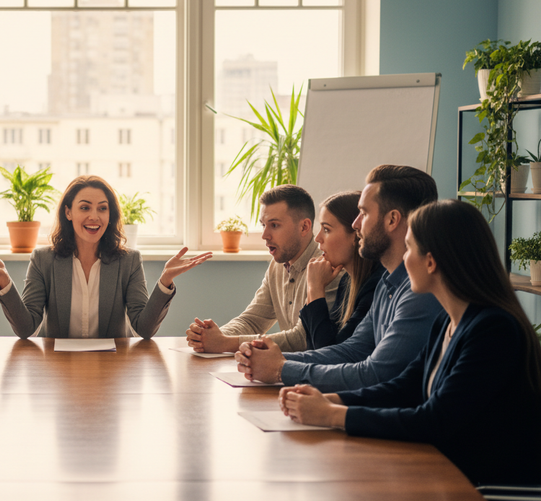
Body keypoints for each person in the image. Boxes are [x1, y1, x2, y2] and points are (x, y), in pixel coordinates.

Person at [279, 199, 541, 486]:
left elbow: (434, 420)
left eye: (410, 249)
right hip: (449, 476)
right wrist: (331, 400)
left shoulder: (493, 330)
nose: (404, 259)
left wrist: (333, 415)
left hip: (490, 497)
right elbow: (404, 387)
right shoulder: (448, 321)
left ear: (431, 262)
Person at [236, 165, 443, 392]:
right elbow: (351, 351)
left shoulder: (421, 292)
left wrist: (281, 369)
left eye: (363, 214)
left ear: (392, 220)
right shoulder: (388, 282)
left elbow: (375, 373)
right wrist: (273, 358)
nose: (356, 225)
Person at [0, 175, 212, 338]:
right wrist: (4, 280)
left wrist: (166, 280)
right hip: (57, 367)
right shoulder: (43, 259)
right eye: (84, 207)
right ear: (68, 212)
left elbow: (144, 329)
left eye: (103, 208)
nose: (94, 216)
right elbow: (26, 329)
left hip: (112, 366)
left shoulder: (129, 261)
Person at [186, 185, 341, 353]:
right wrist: (211, 336)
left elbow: (303, 338)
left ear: (304, 227)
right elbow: (252, 321)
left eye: (274, 225)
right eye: (263, 225)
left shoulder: (328, 267)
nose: (264, 235)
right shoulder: (277, 265)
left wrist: (224, 343)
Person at [300, 191, 383, 349]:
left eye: (326, 229)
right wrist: (312, 292)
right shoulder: (347, 282)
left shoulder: (375, 287)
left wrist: (316, 288)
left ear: (355, 235)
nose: (317, 238)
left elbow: (328, 354)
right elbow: (313, 349)